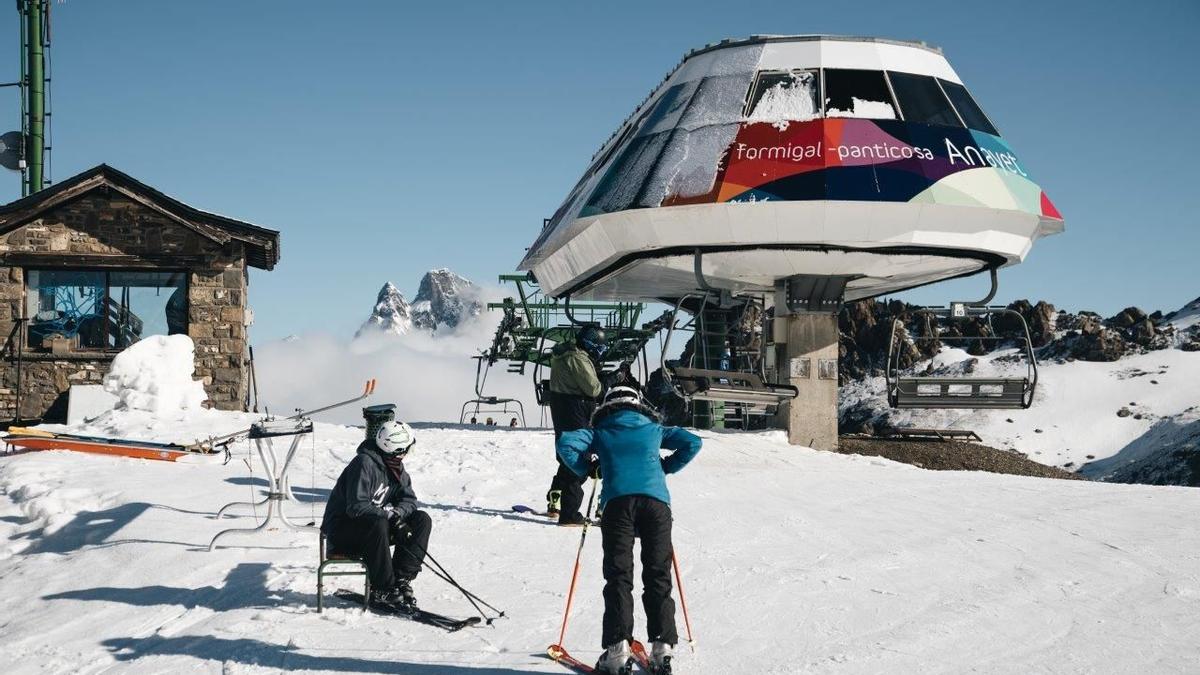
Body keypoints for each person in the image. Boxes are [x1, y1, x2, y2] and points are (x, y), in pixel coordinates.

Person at [556, 385, 702, 675]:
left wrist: (587, 468)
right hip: (656, 505)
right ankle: (662, 650)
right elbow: (693, 443)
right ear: (638, 404)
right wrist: (665, 467)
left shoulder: (601, 431)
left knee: (619, 576)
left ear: (607, 406)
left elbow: (566, 443)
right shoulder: (653, 428)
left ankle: (617, 650)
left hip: (617, 505)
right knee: (658, 574)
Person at [321, 420, 432, 611]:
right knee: (379, 522)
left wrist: (397, 515)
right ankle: (382, 588)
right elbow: (356, 506)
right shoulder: (364, 463)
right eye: (407, 449)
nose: (407, 454)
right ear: (396, 449)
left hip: (372, 531)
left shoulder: (395, 467)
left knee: (421, 520)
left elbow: (409, 500)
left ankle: (400, 579)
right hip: (342, 532)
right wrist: (389, 517)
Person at [546, 324, 605, 526]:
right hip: (575, 409)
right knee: (578, 457)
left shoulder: (566, 354)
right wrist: (607, 380)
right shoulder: (577, 358)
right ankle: (569, 513)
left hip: (563, 407)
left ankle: (555, 499)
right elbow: (593, 389)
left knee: (567, 455)